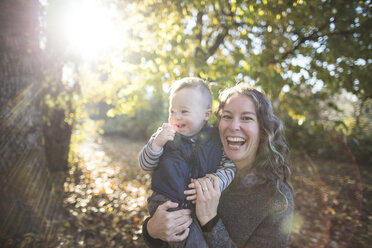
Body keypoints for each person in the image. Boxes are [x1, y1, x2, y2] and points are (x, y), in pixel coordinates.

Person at [142, 84, 294, 248]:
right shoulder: (196, 162)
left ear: (263, 129)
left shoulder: (277, 199)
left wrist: (210, 220)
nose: (233, 126)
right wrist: (151, 230)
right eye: (227, 116)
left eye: (246, 118)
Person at [138, 77, 235, 247]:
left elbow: (229, 167)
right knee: (190, 240)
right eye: (172, 111)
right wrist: (156, 145)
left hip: (199, 204)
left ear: (206, 114)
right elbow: (145, 164)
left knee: (203, 238)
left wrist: (215, 183)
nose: (176, 117)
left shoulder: (216, 140)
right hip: (168, 201)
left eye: (184, 111)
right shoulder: (164, 134)